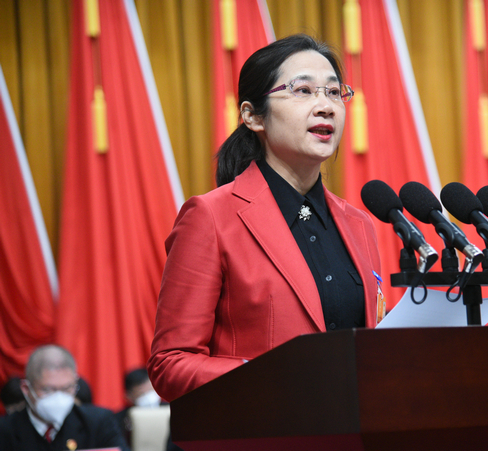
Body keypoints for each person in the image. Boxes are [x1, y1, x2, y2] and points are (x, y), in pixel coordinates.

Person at [148, 34, 382, 402]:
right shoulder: (211, 217)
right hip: (262, 426)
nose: (325, 106)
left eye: (334, 92)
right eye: (303, 90)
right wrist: (275, 378)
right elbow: (171, 364)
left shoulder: (360, 224)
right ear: (252, 116)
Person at [0, 344, 129, 451]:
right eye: (48, 390)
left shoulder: (98, 422)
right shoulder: (5, 430)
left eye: (67, 388)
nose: (58, 397)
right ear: (26, 389)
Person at [115, 367, 162, 446]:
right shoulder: (118, 420)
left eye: (151, 391)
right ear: (128, 396)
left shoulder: (171, 411)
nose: (149, 397)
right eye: (143, 394)